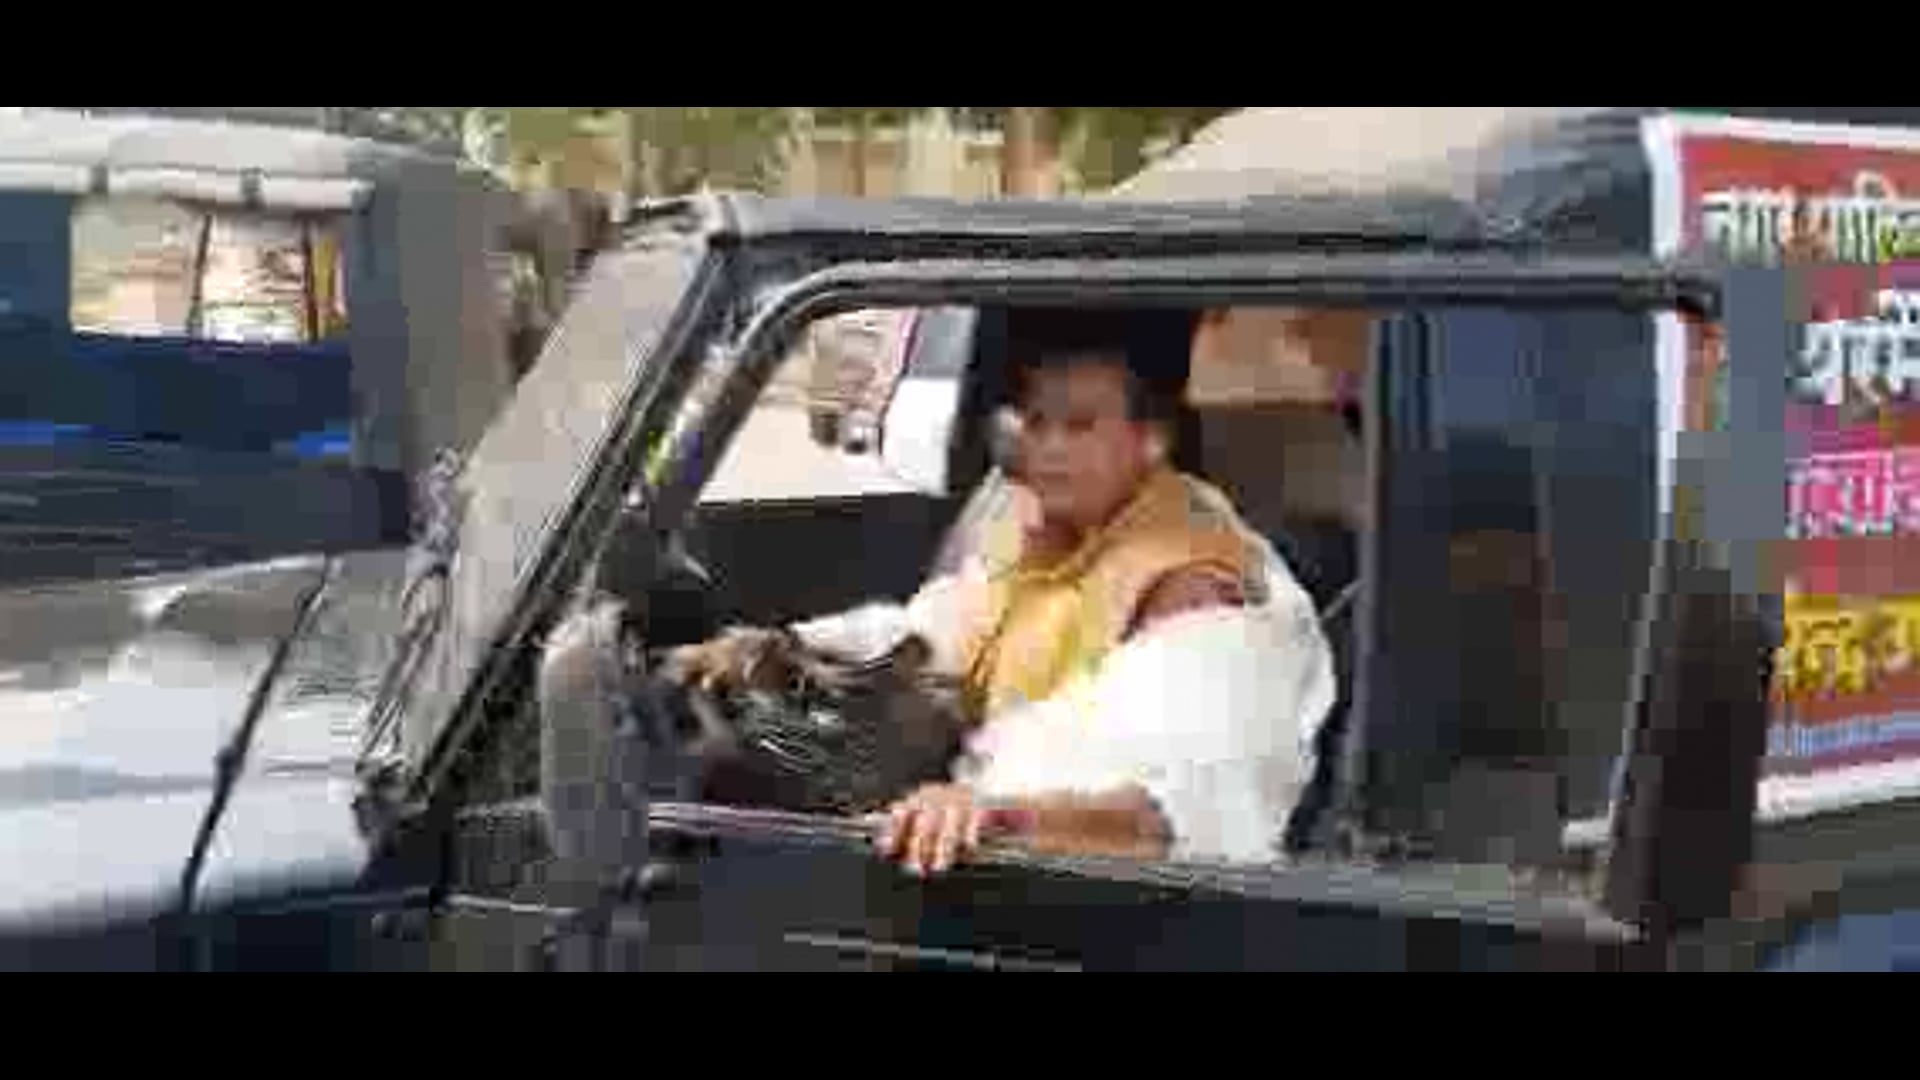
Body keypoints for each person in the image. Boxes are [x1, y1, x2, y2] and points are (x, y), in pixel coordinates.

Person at [657, 308, 1335, 874]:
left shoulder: (1196, 589)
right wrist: (784, 646)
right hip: (970, 832)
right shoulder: (1047, 532)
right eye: (1036, 424)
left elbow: (1171, 816)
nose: (1050, 450)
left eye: (1079, 427)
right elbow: (936, 631)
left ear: (1152, 439)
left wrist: (991, 816)